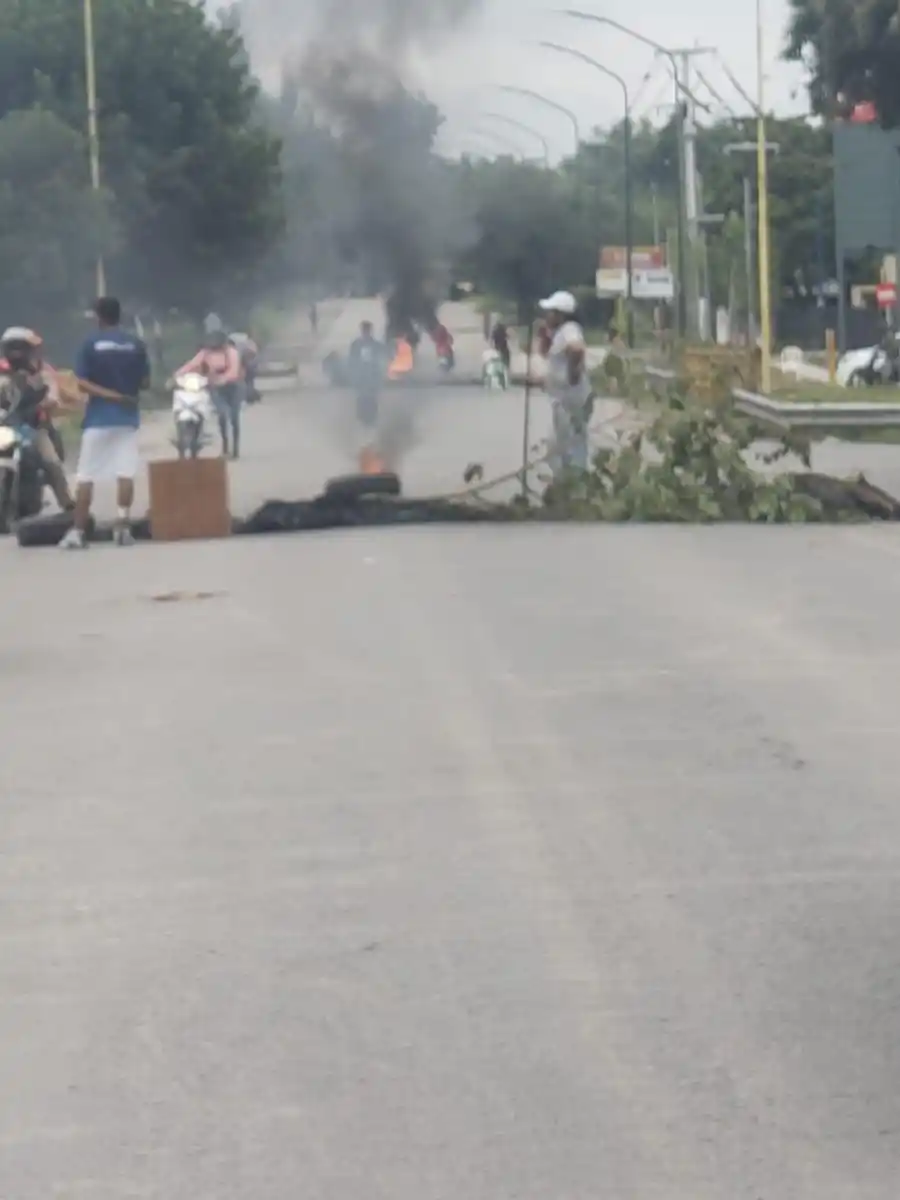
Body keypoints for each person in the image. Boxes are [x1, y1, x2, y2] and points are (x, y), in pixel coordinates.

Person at [60, 297, 150, 549]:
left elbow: (81, 382)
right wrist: (124, 391)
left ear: (99, 316)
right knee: (125, 473)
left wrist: (109, 394)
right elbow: (144, 383)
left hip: (99, 419)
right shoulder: (135, 343)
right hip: (127, 419)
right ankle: (122, 527)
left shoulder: (90, 343)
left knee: (86, 476)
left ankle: (77, 532)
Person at [0, 327, 73, 511]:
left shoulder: (43, 371)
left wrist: (44, 404)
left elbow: (53, 397)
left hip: (33, 427)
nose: (17, 353)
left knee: (51, 463)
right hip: (5, 427)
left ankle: (68, 505)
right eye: (13, 348)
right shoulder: (2, 372)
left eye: (21, 348)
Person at [536, 290, 593, 475]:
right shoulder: (560, 333)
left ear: (560, 314)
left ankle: (575, 483)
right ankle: (568, 483)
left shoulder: (570, 329)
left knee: (569, 445)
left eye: (550, 312)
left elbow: (577, 349)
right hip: (563, 400)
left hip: (570, 401)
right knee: (560, 445)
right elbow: (548, 355)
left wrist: (572, 374)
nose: (547, 315)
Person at [174, 329, 244, 458]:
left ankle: (235, 449)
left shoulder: (232, 353)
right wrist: (178, 374)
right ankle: (225, 447)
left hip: (233, 387)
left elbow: (234, 371)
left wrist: (222, 379)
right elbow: (192, 364)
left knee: (234, 418)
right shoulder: (205, 353)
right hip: (216, 388)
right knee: (222, 415)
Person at [347, 320, 385, 427]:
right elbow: (351, 360)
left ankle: (371, 420)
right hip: (361, 378)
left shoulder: (376, 345)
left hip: (373, 377)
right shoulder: (356, 345)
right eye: (364, 330)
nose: (366, 332)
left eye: (367, 330)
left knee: (372, 400)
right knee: (361, 400)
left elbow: (384, 356)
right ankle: (362, 421)